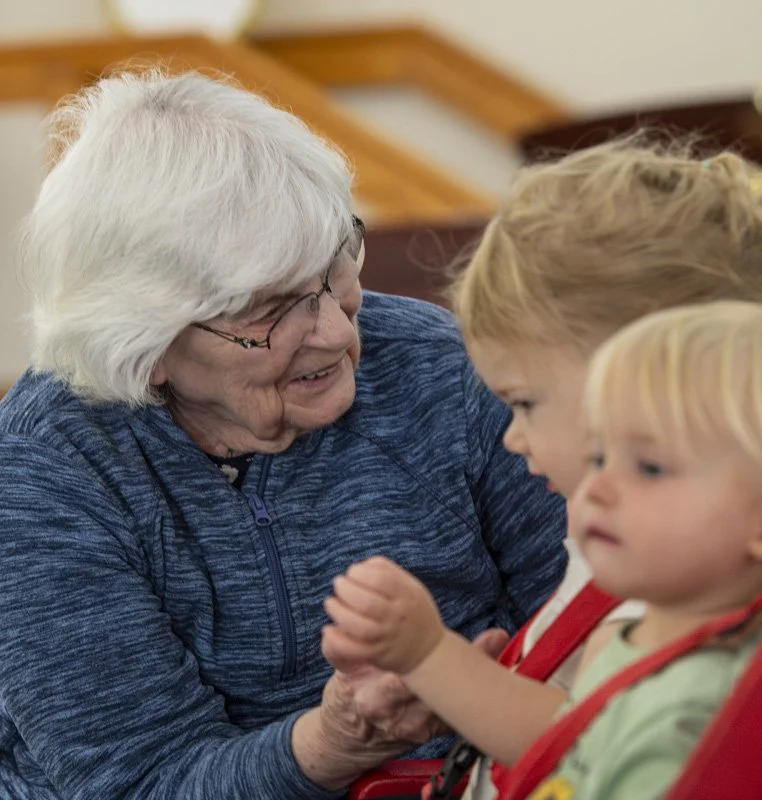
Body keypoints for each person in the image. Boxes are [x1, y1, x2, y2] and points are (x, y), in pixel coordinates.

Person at [0, 69, 568, 799]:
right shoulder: (44, 470)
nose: (335, 331)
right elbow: (142, 782)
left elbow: (584, 617)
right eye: (270, 309)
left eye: (335, 267)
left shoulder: (441, 366)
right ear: (143, 348)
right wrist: (330, 743)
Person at [324, 136, 762, 799]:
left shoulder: (671, 573)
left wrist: (430, 657)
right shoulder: (638, 553)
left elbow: (575, 738)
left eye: (525, 404)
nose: (513, 439)